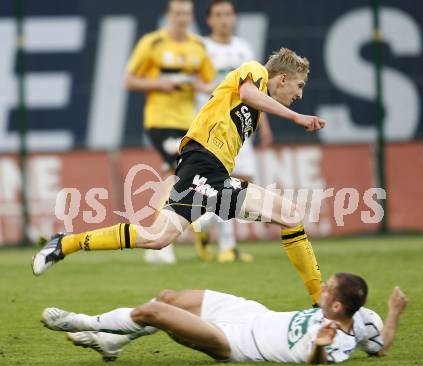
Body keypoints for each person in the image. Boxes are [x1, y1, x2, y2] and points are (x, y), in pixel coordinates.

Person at [32, 47, 326, 306]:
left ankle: (65, 243)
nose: (299, 95)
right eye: (299, 86)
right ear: (283, 78)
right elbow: (249, 93)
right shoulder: (254, 70)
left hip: (203, 169)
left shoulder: (256, 110)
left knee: (157, 236)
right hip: (203, 165)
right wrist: (297, 118)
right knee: (289, 214)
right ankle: (320, 302)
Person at [41, 273, 408, 364]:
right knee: (169, 296)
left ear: (338, 307)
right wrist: (393, 313)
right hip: (251, 314)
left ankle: (80, 321)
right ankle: (113, 341)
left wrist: (318, 348)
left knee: (153, 312)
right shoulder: (365, 320)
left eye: (327, 290)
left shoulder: (338, 339)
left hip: (236, 343)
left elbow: (321, 361)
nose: (322, 291)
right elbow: (380, 348)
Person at [125, 0, 216, 263]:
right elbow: (129, 79)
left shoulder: (198, 46)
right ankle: (178, 231)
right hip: (159, 120)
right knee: (180, 171)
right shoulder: (152, 43)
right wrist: (158, 83)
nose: (182, 18)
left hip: (188, 121)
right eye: (177, 13)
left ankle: (161, 240)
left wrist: (198, 86)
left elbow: (209, 81)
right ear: (168, 16)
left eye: (186, 13)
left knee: (176, 175)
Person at [193, 0, 274, 263]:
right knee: (225, 185)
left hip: (242, 125)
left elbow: (257, 92)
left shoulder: (243, 48)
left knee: (243, 183)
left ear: (234, 17)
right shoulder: (201, 48)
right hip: (215, 127)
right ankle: (226, 246)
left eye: (228, 14)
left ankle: (203, 224)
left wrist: (264, 124)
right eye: (218, 15)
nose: (224, 19)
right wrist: (221, 88)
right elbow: (193, 84)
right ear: (209, 20)